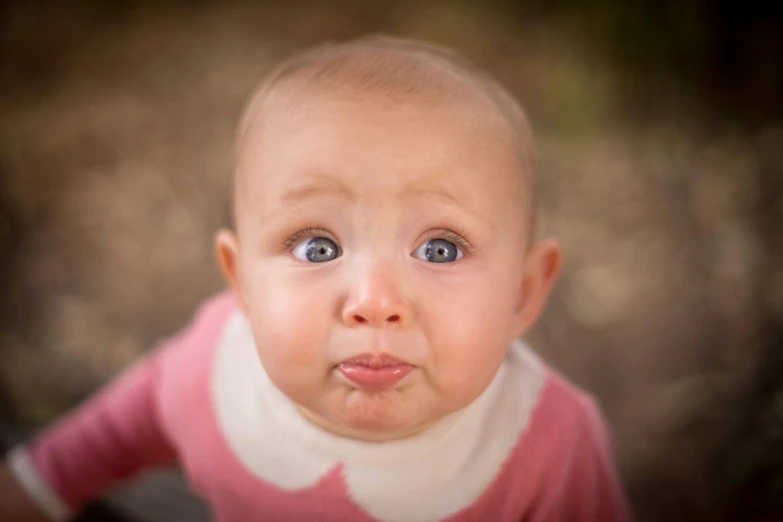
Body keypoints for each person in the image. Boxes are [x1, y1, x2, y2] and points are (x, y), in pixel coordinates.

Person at [0, 36, 631, 521]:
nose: (375, 303)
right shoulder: (216, 369)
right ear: (240, 281)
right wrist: (37, 485)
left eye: (440, 249)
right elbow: (123, 426)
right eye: (316, 244)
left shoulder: (548, 446)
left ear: (522, 294)